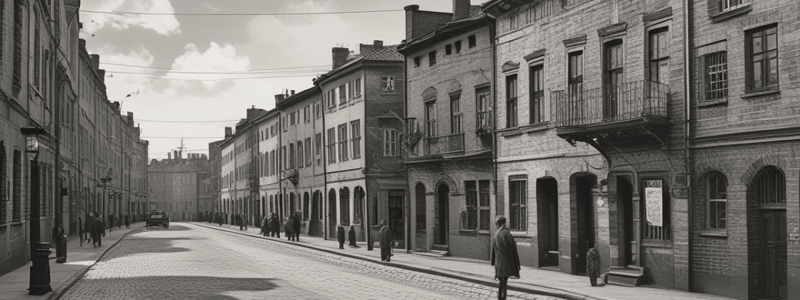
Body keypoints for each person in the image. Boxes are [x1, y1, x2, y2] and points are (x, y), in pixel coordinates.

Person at [491, 216, 520, 300]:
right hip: (507, 262)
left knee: (502, 280)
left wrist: (493, 262)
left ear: (498, 224)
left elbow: (494, 249)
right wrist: (516, 263)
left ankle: (500, 297)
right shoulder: (507, 233)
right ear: (504, 223)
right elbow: (513, 249)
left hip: (499, 263)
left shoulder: (496, 234)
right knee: (504, 281)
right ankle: (503, 297)